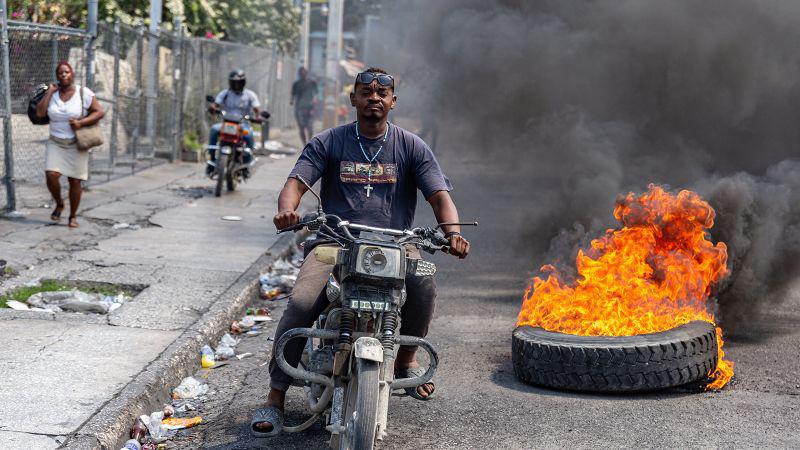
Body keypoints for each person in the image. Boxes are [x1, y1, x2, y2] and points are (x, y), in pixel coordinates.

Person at [251, 68, 470, 436]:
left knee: (424, 286)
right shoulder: (329, 141)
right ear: (353, 99)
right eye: (365, 92)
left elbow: (439, 197)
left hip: (396, 243)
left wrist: (453, 234)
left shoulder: (412, 146)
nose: (374, 98)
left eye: (382, 93)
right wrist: (287, 211)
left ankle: (405, 360)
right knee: (302, 303)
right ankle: (275, 396)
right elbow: (296, 184)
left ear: (393, 102)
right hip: (334, 241)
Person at [35, 61, 104, 228]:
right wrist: (49, 92)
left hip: (76, 142)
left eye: (66, 72)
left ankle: (72, 216)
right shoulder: (52, 93)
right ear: (57, 76)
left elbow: (99, 112)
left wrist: (81, 122)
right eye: (60, 72)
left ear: (72, 74)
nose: (64, 74)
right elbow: (40, 113)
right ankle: (59, 203)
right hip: (56, 141)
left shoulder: (83, 93)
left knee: (75, 181)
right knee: (51, 174)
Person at [206, 69, 263, 177]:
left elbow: (257, 109)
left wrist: (258, 117)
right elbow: (216, 104)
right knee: (214, 129)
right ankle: (211, 159)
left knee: (249, 134)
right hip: (226, 124)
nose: (236, 85)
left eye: (238, 82)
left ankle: (246, 165)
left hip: (242, 125)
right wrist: (213, 108)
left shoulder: (250, 95)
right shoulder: (225, 93)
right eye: (234, 82)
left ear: (243, 82)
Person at [290, 67, 317, 144]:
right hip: (299, 108)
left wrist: (315, 99)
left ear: (307, 73)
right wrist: (291, 100)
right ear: (299, 74)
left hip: (309, 108)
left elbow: (316, 93)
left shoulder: (312, 83)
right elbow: (293, 94)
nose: (303, 74)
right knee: (301, 128)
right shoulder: (296, 84)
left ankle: (309, 142)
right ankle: (304, 144)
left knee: (310, 127)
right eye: (301, 73)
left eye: (304, 73)